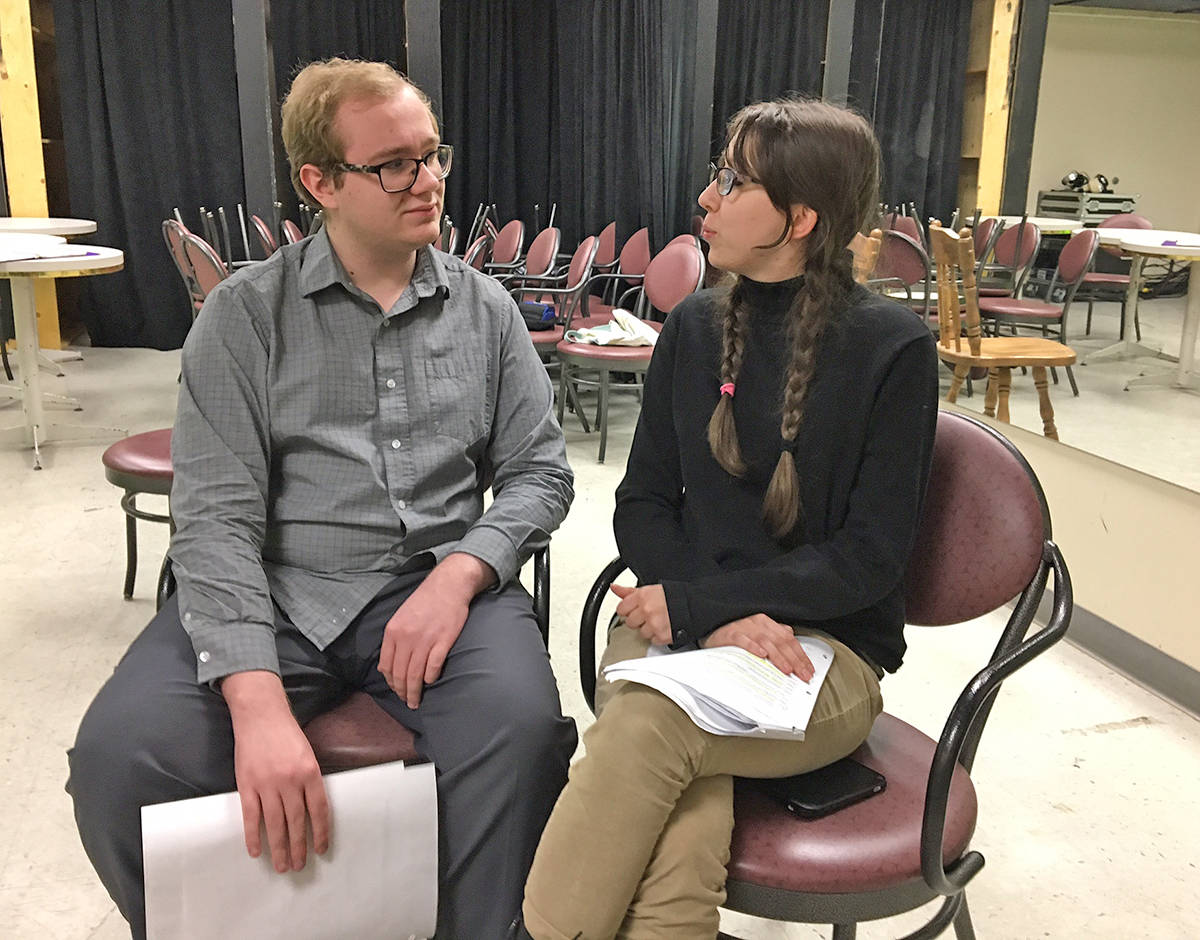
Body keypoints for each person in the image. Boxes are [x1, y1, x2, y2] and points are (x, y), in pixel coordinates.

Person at [68, 58, 577, 940]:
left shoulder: (486, 311)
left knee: (524, 737)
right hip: (276, 588)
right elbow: (217, 519)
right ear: (320, 182)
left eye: (433, 155)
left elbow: (542, 471)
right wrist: (255, 698)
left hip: (431, 591)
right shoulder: (245, 318)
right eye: (395, 165)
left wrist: (459, 574)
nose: (428, 183)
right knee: (121, 763)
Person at [521, 98, 939, 939]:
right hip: (684, 620)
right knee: (681, 831)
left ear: (801, 217)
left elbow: (868, 559)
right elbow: (642, 502)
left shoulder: (892, 349)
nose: (706, 199)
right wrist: (717, 617)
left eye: (732, 180)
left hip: (822, 655)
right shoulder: (695, 325)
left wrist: (701, 605)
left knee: (646, 729)